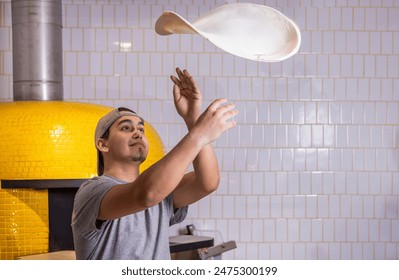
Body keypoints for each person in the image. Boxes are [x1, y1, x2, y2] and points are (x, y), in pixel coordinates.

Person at [71, 68, 238, 260]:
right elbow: (146, 194)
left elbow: (207, 183)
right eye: (126, 128)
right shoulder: (92, 192)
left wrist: (193, 119)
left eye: (141, 129)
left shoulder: (162, 193)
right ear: (103, 144)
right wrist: (199, 134)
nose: (138, 133)